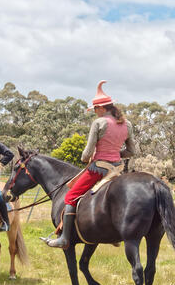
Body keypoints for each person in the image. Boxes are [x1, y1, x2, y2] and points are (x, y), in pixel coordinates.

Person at [45, 80, 136, 248]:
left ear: (101, 108)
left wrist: (88, 157)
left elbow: (86, 155)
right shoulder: (127, 124)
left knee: (70, 196)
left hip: (99, 169)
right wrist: (116, 153)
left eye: (95, 109)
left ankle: (65, 238)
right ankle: (114, 235)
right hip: (117, 171)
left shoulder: (99, 123)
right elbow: (131, 151)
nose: (95, 112)